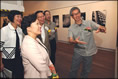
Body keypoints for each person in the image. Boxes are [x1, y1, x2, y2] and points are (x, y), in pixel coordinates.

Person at [68, 7, 106, 78]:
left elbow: (101, 27)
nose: (77, 16)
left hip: (89, 52)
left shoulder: (89, 23)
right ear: (72, 17)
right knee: (73, 70)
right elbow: (70, 40)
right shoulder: (71, 28)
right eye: (74, 14)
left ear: (80, 13)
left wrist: (102, 28)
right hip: (78, 52)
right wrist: (74, 41)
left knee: (86, 70)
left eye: (77, 13)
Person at [21, 13, 58, 78]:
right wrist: (52, 75)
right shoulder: (28, 44)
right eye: (37, 24)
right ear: (28, 28)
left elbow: (47, 59)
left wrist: (54, 72)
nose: (40, 26)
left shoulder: (37, 39)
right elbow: (42, 68)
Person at [0, 10, 24, 78]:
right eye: (18, 16)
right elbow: (0, 47)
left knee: (20, 75)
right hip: (8, 59)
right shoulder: (4, 30)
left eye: (21, 17)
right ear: (11, 17)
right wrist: (0, 63)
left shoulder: (20, 30)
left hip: (19, 57)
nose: (20, 18)